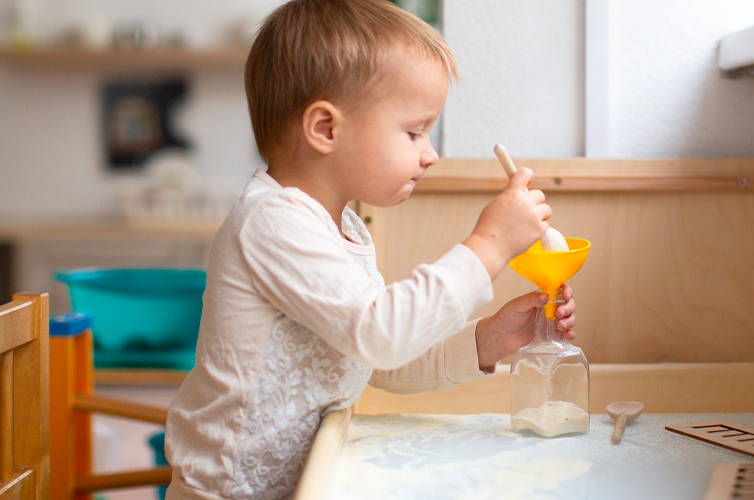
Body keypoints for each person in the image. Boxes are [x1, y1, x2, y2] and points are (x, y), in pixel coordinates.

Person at [164, 1, 577, 498]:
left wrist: (488, 340)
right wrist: (489, 244)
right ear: (325, 129)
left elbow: (380, 361)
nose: (430, 153)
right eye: (414, 131)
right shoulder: (271, 221)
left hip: (307, 479)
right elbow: (381, 336)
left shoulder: (347, 229)